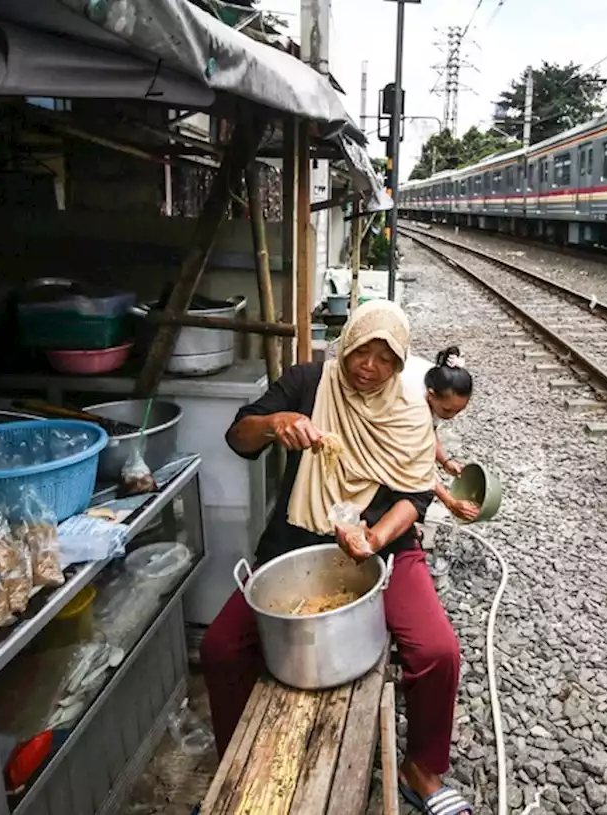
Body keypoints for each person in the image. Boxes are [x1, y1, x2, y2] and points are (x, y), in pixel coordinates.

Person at [201, 300, 473, 815]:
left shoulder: (410, 407)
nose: (369, 367)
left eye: (386, 358)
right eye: (362, 352)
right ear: (346, 343)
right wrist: (276, 422)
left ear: (400, 364)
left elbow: (413, 499)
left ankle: (421, 771)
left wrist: (372, 539)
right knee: (220, 648)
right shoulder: (310, 383)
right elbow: (239, 437)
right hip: (299, 542)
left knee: (437, 651)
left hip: (385, 549)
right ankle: (235, 769)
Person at [401, 347, 480, 521]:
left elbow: (430, 431)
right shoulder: (412, 404)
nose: (450, 416)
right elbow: (416, 466)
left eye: (458, 412)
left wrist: (445, 461)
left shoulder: (442, 382)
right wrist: (450, 502)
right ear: (430, 395)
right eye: (447, 410)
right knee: (414, 490)